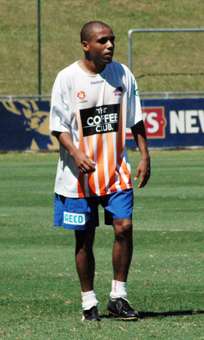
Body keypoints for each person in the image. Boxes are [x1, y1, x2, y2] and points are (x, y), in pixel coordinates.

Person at [49, 20, 150, 322]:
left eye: (112, 40)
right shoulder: (67, 78)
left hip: (116, 171)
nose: (110, 46)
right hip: (77, 178)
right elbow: (58, 127)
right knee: (85, 237)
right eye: (102, 41)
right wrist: (77, 153)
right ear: (86, 45)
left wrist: (145, 155)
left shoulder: (122, 74)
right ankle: (88, 302)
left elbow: (136, 119)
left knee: (124, 227)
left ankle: (118, 297)